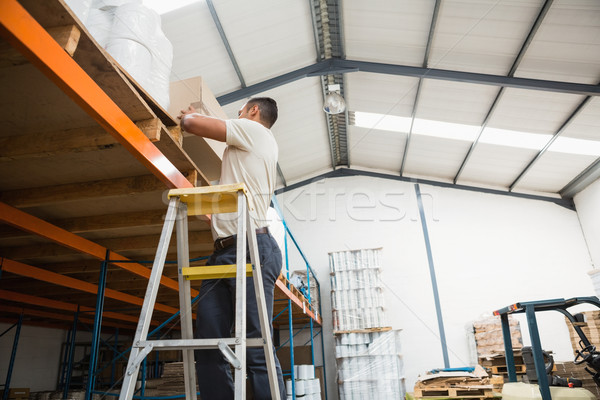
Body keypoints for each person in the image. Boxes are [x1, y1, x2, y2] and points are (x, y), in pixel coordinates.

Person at [178, 97, 286, 400]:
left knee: (254, 340)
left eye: (238, 112)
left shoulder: (255, 131)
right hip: (223, 251)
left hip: (252, 246)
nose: (236, 117)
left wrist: (190, 116)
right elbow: (211, 210)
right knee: (209, 342)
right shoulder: (240, 161)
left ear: (253, 111)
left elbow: (192, 124)